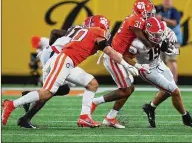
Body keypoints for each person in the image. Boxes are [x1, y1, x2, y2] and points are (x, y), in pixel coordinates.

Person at [2, 15, 139, 128]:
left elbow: (62, 36)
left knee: (92, 84)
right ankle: (12, 104)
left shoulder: (84, 30)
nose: (108, 31)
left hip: (63, 60)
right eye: (106, 28)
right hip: (63, 60)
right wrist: (127, 65)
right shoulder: (98, 31)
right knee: (47, 92)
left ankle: (85, 117)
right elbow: (109, 51)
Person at [18, 22, 99, 128]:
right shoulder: (85, 34)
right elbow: (55, 33)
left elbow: (55, 32)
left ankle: (29, 100)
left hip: (54, 56)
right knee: (50, 91)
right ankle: (21, 112)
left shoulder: (77, 32)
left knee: (62, 89)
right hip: (56, 57)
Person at [128, 17, 192, 128]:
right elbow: (126, 56)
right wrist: (135, 66)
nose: (158, 37)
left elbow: (174, 46)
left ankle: (150, 107)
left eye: (160, 34)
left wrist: (170, 41)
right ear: (146, 32)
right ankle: (186, 118)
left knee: (169, 90)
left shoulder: (160, 28)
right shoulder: (137, 43)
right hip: (148, 70)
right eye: (155, 35)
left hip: (160, 64)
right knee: (175, 91)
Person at [91, 0, 155, 128]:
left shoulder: (135, 18)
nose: (149, 14)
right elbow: (142, 38)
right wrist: (152, 44)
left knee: (130, 88)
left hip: (119, 56)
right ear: (141, 11)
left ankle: (110, 117)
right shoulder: (136, 19)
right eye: (147, 12)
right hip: (115, 57)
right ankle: (94, 102)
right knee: (126, 90)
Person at [155, 0, 182, 82]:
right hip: (163, 39)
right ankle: (165, 80)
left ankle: (173, 81)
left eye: (168, 1)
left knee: (172, 60)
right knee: (161, 61)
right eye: (165, 1)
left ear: (171, 3)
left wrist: (161, 18)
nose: (166, 3)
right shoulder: (159, 9)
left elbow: (174, 23)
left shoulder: (175, 11)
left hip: (174, 39)